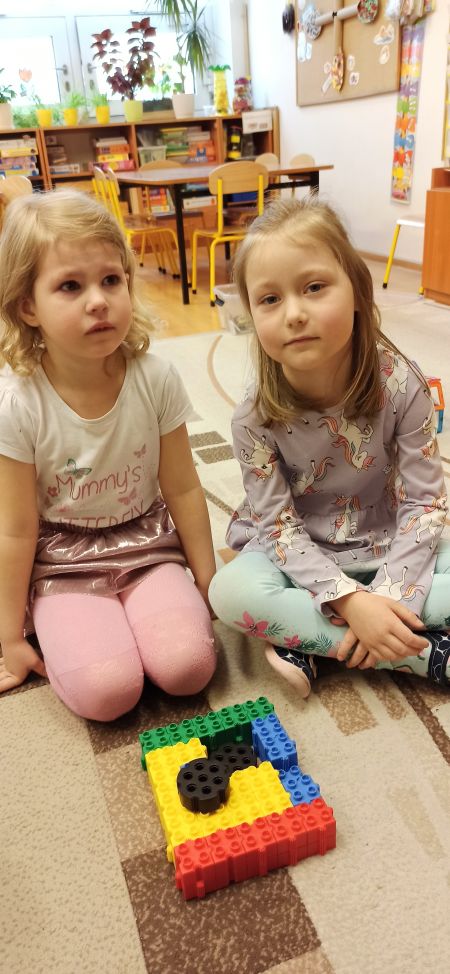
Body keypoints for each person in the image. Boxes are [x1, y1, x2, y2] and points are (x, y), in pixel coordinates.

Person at [209, 196, 450, 698]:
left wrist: (391, 593)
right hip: (297, 555)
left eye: (314, 288)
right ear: (251, 313)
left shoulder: (403, 385)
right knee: (229, 593)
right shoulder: (253, 414)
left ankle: (312, 643)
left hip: (388, 541)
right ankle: (424, 654)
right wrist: (351, 604)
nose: (295, 314)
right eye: (269, 299)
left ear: (358, 291)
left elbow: (426, 504)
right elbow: (278, 527)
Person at [0, 189, 217, 720]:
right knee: (109, 691)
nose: (98, 300)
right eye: (70, 286)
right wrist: (9, 636)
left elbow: (184, 488)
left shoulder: (156, 378)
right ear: (28, 306)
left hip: (148, 546)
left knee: (188, 668)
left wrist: (208, 581)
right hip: (62, 563)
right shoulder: (17, 404)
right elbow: (15, 530)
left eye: (111, 280)